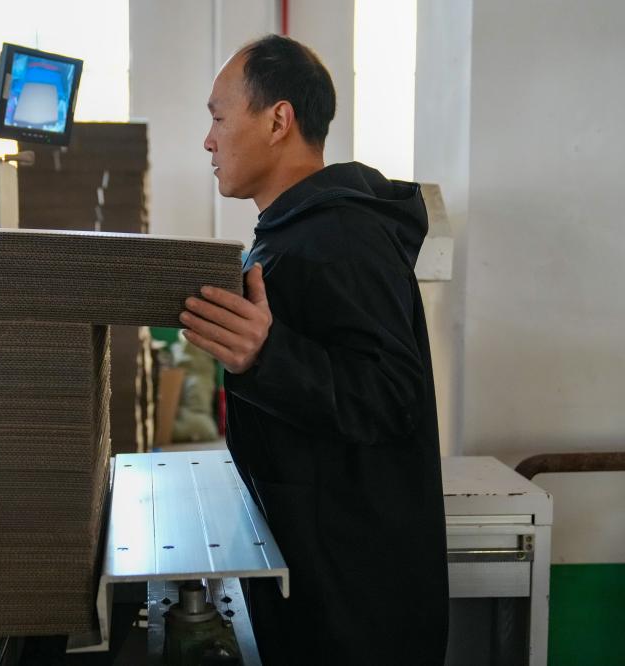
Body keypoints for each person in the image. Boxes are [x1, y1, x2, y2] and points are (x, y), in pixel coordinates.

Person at [180, 34, 449, 665]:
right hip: (316, 579)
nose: (209, 140)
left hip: (357, 609)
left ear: (278, 121)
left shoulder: (343, 235)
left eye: (219, 118)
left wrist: (266, 357)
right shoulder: (292, 232)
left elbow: (391, 397)